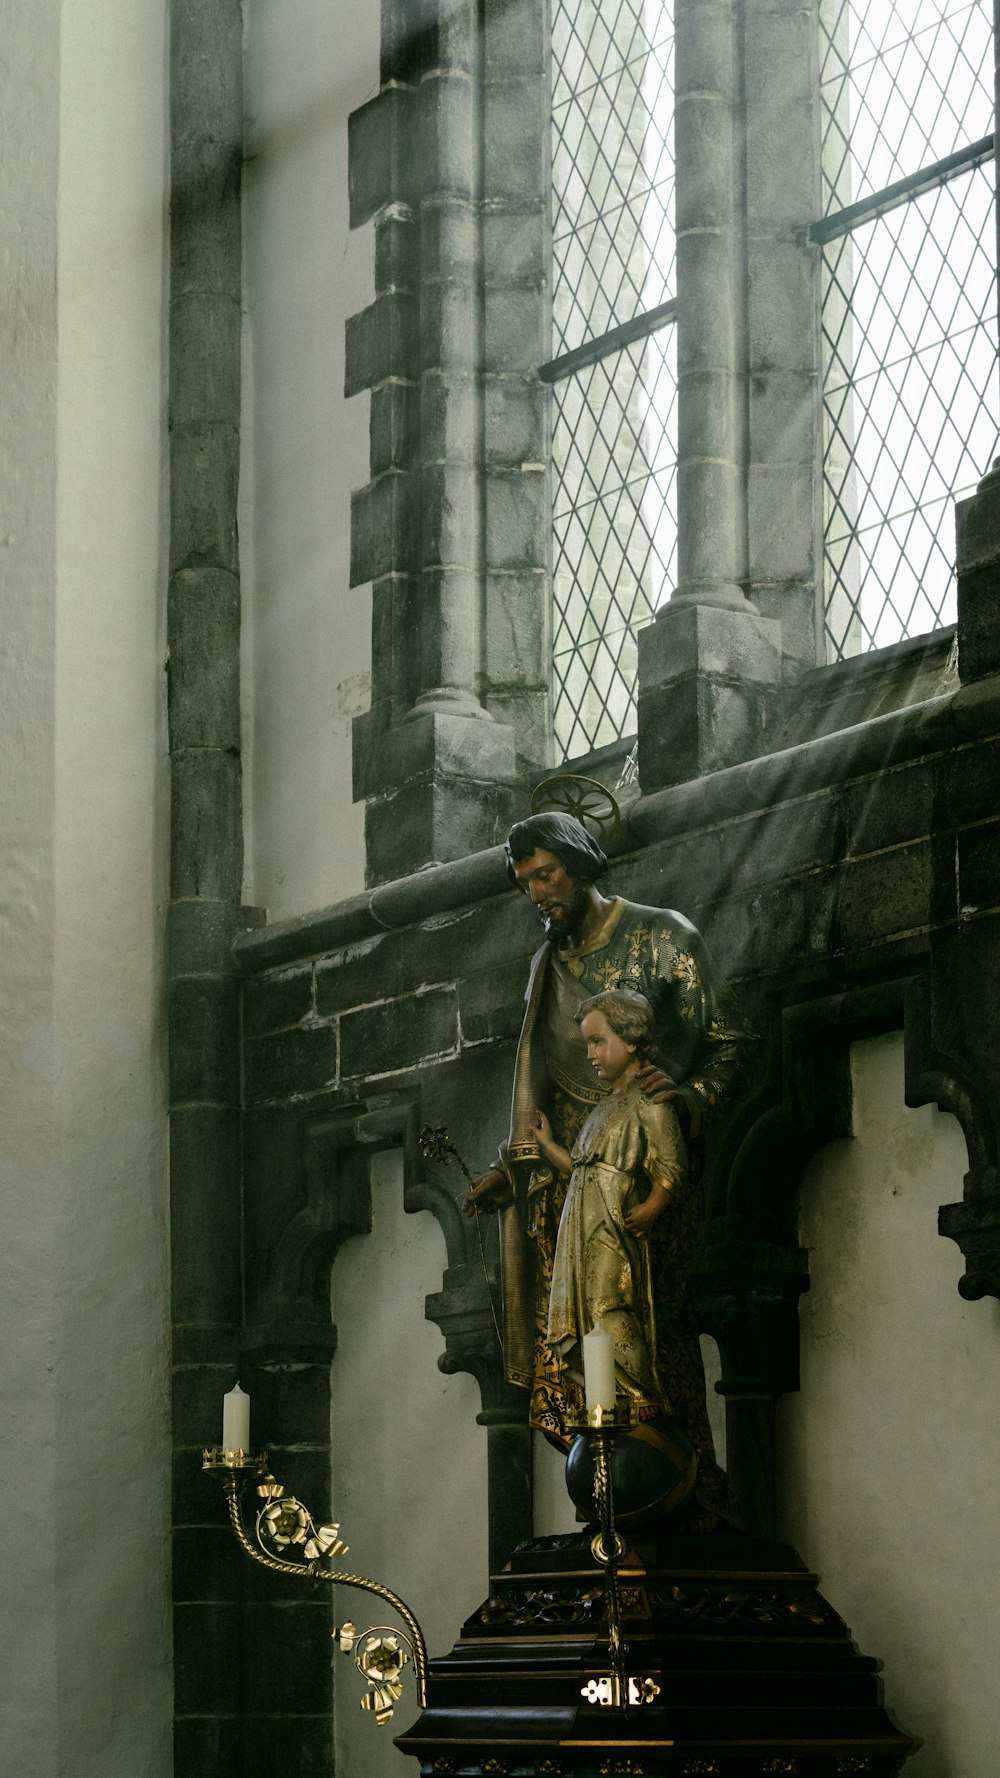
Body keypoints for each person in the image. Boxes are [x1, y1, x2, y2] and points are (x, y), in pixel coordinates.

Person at [465, 811, 756, 1516]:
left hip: (645, 1176)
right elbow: (537, 1090)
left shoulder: (662, 936)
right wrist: (518, 1167)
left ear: (581, 863)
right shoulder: (547, 967)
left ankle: (687, 1494)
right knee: (581, 1343)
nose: (536, 893)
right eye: (524, 882)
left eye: (546, 875)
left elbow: (734, 1044)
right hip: (570, 1187)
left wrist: (687, 1099)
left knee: (651, 1327)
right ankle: (611, 1499)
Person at [534, 989, 687, 1417]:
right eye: (587, 1044)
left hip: (609, 1226)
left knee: (611, 1306)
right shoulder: (603, 1108)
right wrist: (547, 1144)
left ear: (632, 1039)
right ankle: (607, 1402)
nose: (591, 1054)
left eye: (598, 1041)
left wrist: (655, 1204)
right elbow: (580, 1168)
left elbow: (671, 1163)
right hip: (580, 1227)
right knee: (586, 1317)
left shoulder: (650, 1100)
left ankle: (641, 1397)